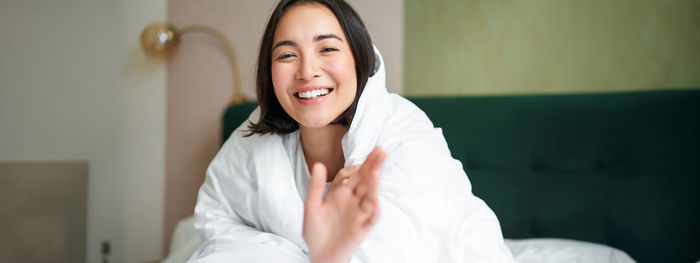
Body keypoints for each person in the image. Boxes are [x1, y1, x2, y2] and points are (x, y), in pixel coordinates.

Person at [189, 0, 514, 262]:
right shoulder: (255, 136)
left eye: (327, 49)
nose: (307, 70)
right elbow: (214, 214)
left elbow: (407, 250)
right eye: (287, 55)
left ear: (360, 59)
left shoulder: (406, 138)